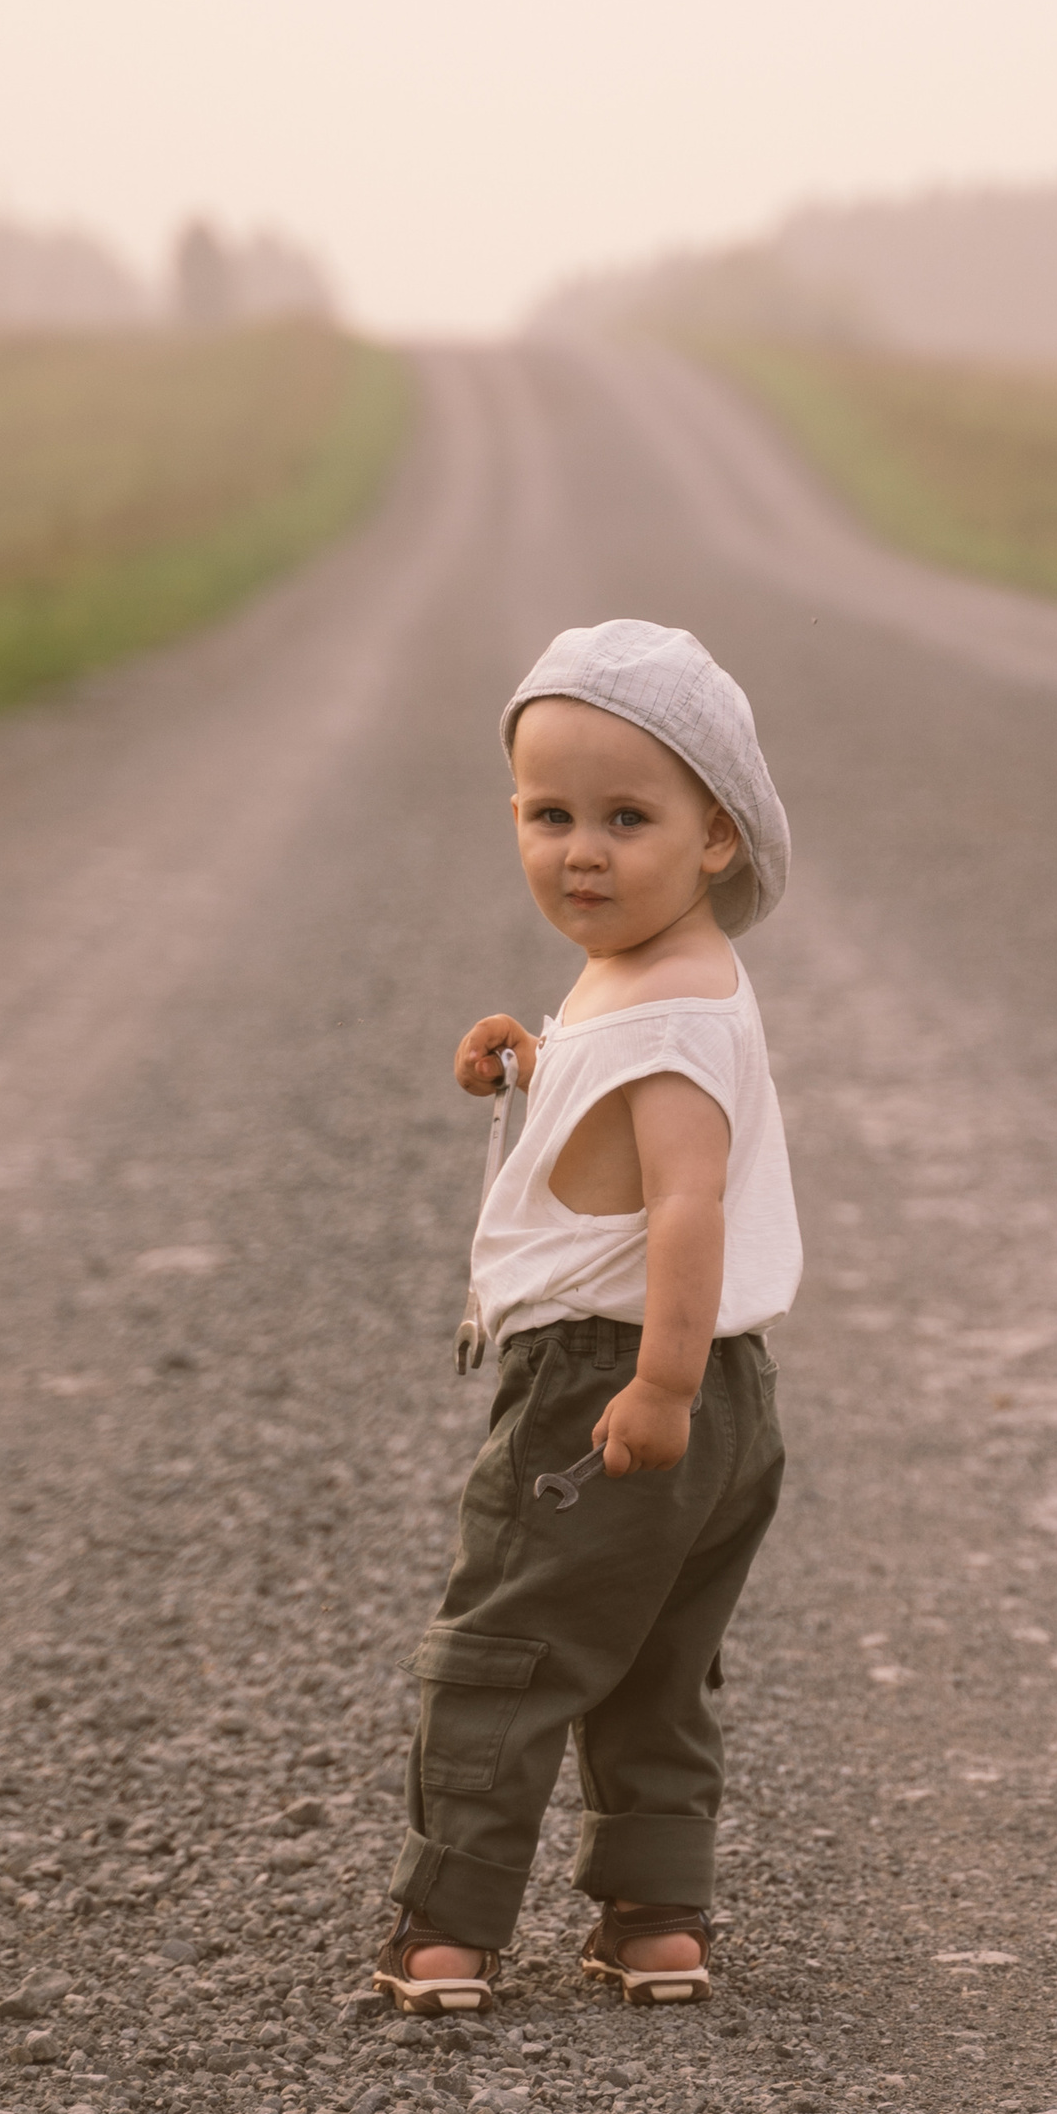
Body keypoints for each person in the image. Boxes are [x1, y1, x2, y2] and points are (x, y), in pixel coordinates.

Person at [372, 619, 801, 2015]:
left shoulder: (666, 1023)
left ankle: (448, 1934)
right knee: (658, 1658)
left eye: (628, 817)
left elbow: (685, 1207)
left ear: (717, 838)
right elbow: (608, 1104)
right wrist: (528, 1057)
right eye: (550, 815)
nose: (584, 852)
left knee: (504, 1644)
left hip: (614, 1383)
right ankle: (656, 1918)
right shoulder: (660, 979)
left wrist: (657, 1388)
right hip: (723, 1392)